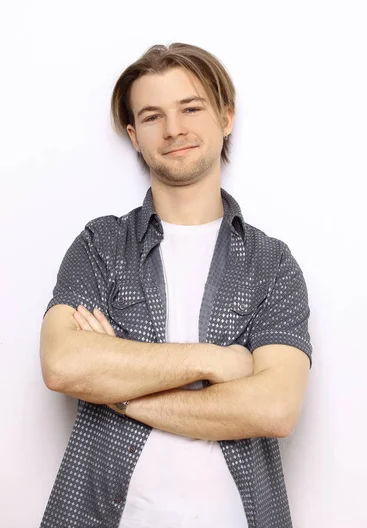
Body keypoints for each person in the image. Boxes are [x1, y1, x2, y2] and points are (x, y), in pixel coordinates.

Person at [39, 42, 313, 528]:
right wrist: (215, 360)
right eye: (152, 116)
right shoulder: (101, 244)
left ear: (226, 118)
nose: (174, 130)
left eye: (191, 108)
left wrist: (116, 388)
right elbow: (63, 364)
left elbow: (274, 407)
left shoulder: (272, 263)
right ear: (134, 135)